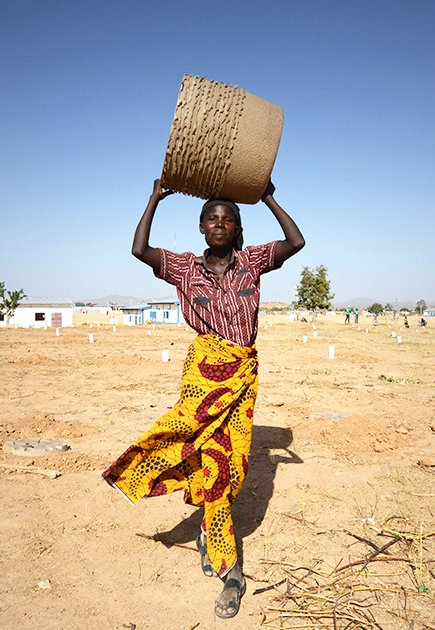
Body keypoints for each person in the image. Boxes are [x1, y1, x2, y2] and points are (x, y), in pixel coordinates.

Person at [104, 178, 305, 619]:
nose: (220, 224)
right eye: (212, 219)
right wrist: (153, 197)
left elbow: (296, 241)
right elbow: (140, 250)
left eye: (228, 219)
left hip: (242, 374)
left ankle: (209, 529)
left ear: (235, 228)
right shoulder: (182, 268)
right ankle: (230, 568)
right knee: (194, 441)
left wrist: (266, 196)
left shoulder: (251, 262)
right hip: (202, 370)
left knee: (231, 464)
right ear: (201, 227)